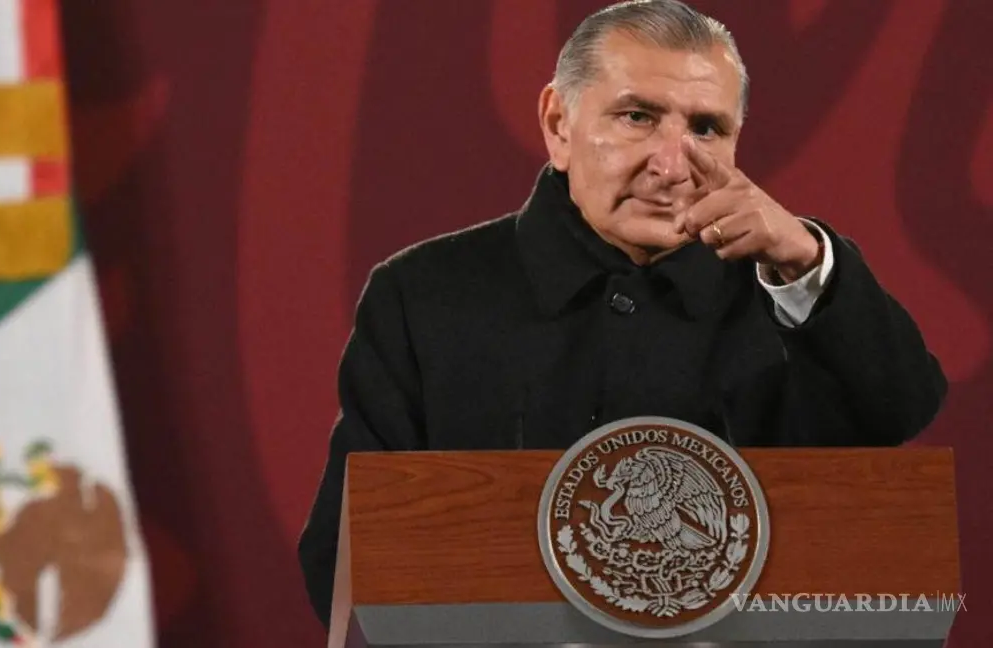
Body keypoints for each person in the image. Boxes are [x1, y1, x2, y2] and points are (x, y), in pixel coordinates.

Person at [297, 0, 947, 629]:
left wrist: (806, 260)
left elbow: (900, 411)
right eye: (638, 117)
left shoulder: (784, 287)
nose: (671, 166)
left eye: (705, 129)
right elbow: (345, 555)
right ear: (559, 124)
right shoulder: (423, 295)